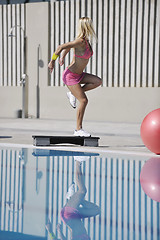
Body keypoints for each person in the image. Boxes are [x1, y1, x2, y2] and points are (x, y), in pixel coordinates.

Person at [48, 17, 102, 137]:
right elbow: (61, 46)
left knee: (97, 81)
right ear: (86, 26)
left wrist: (63, 57)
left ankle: (73, 94)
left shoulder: (85, 41)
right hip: (71, 76)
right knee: (83, 100)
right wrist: (53, 61)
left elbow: (68, 48)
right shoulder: (80, 41)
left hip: (79, 75)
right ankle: (78, 129)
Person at [56, 157, 100, 240]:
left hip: (68, 216)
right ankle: (72, 197)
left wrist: (59, 232)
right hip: (77, 216)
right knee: (96, 210)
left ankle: (78, 161)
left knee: (83, 190)